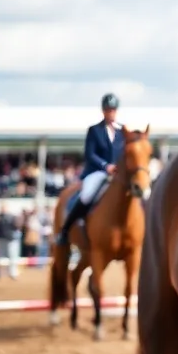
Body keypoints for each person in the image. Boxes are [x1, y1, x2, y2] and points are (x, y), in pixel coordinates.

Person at [56, 93, 124, 246]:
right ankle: (66, 230)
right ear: (103, 111)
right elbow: (90, 154)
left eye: (113, 110)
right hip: (98, 172)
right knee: (87, 195)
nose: (110, 113)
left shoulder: (122, 132)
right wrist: (105, 166)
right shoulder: (94, 130)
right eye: (107, 110)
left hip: (118, 174)